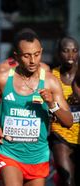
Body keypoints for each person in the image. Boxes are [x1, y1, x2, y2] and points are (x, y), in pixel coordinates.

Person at [0, 30, 73, 186]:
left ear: (41, 52)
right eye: (27, 56)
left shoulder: (50, 82)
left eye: (36, 54)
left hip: (37, 155)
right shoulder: (2, 77)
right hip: (8, 152)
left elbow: (68, 121)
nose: (33, 60)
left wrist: (51, 105)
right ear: (16, 56)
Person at [49, 36, 80, 186]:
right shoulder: (51, 76)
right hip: (60, 134)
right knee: (68, 180)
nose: (70, 56)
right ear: (58, 54)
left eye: (74, 51)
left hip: (79, 134)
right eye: (66, 51)